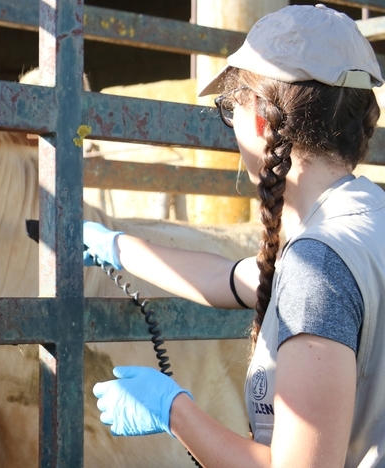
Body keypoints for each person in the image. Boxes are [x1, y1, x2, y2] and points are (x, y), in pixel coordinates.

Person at [85, 4, 385, 467]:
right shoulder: (363, 224)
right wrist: (114, 246)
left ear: (263, 124)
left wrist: (174, 411)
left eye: (230, 110)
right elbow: (235, 279)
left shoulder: (320, 263)